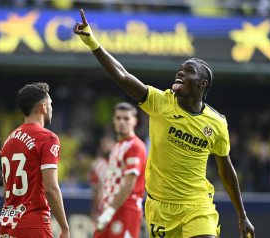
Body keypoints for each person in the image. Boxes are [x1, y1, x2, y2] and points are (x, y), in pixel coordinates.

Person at [74, 10, 255, 238]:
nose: (180, 73)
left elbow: (225, 169)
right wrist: (92, 41)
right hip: (160, 208)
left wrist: (242, 215)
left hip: (197, 205)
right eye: (180, 69)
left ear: (202, 84)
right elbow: (122, 75)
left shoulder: (217, 124)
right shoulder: (161, 102)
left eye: (188, 71)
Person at [0, 82, 69, 238]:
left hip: (7, 224)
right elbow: (51, 189)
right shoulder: (47, 138)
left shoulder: (8, 141)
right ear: (43, 107)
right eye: (50, 104)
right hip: (32, 222)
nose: (51, 108)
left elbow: (6, 191)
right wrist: (65, 227)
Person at [94, 102, 147, 238]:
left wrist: (110, 211)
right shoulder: (117, 145)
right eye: (118, 118)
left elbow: (129, 184)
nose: (121, 122)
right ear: (113, 120)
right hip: (110, 207)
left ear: (135, 121)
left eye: (126, 118)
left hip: (126, 209)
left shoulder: (135, 146)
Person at [89, 135, 115, 223]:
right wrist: (93, 210)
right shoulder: (97, 165)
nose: (105, 147)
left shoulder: (120, 161)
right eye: (103, 145)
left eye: (108, 144)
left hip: (120, 204)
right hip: (103, 205)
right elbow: (95, 189)